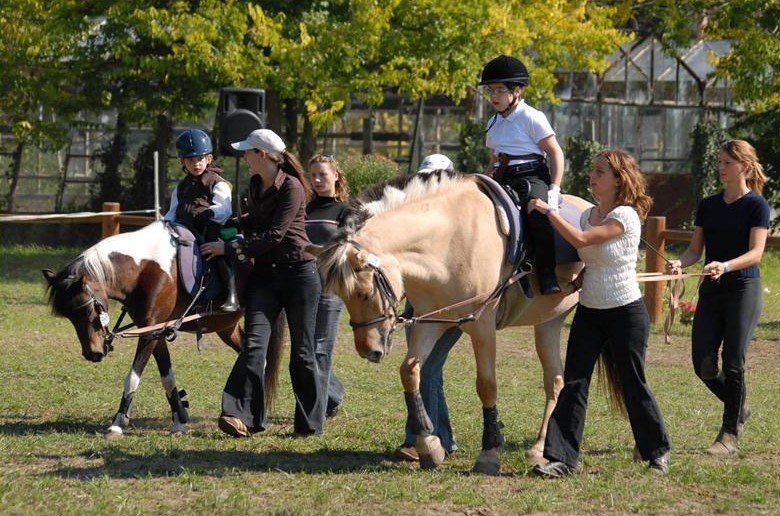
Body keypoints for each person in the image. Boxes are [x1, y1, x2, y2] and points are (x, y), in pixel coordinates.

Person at [528, 150, 671, 477]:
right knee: (575, 383)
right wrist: (578, 279)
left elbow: (581, 239)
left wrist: (549, 209)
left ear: (619, 180)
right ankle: (562, 459)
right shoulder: (587, 213)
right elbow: (592, 257)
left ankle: (657, 452)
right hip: (590, 310)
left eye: (600, 172)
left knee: (632, 382)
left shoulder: (626, 216)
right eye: (592, 170)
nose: (592, 176)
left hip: (626, 313)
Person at [201, 128, 324, 437]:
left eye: (248, 151)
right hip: (266, 278)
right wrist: (228, 224)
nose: (244, 156)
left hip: (300, 277)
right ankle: (241, 416)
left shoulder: (292, 187)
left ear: (263, 155)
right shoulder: (256, 184)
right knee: (254, 345)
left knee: (303, 353)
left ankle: (309, 425)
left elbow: (274, 236)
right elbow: (253, 222)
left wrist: (227, 247)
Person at [666, 139, 770, 456]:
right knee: (704, 365)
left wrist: (725, 265)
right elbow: (695, 250)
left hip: (742, 289)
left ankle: (729, 436)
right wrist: (680, 263)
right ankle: (738, 408)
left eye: (727, 162)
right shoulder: (708, 204)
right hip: (711, 291)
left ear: (744, 166)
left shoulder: (757, 206)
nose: (721, 167)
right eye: (720, 162)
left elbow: (756, 253)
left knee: (734, 364)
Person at [394, 153, 461, 462]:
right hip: (418, 304)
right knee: (427, 371)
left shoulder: (461, 218)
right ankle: (443, 438)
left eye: (435, 177)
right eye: (424, 178)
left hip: (449, 306)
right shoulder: (414, 216)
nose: (428, 184)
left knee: (426, 369)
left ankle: (419, 438)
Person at [480, 54, 565, 295]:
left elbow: (556, 154)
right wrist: (482, 178)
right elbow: (493, 160)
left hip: (530, 177)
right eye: (490, 91)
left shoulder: (532, 117)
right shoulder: (492, 122)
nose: (493, 97)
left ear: (516, 91)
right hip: (500, 176)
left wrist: (554, 190)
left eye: (499, 91)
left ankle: (547, 276)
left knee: (538, 216)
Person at [163, 128, 238, 312]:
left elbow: (224, 208)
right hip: (185, 230)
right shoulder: (180, 188)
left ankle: (231, 295)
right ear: (182, 162)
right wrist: (164, 224)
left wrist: (209, 214)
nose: (196, 164)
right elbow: (172, 212)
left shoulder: (217, 182)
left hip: (211, 230)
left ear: (209, 159)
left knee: (213, 250)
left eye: (200, 159)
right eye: (190, 160)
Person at [306, 154, 349, 419]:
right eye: (314, 175)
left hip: (331, 286)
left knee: (320, 347)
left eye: (323, 174)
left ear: (336, 176)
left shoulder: (345, 210)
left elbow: (347, 248)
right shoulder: (304, 209)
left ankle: (316, 410)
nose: (318, 180)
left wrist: (316, 250)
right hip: (303, 286)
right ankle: (332, 392)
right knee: (307, 347)